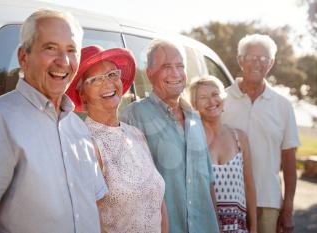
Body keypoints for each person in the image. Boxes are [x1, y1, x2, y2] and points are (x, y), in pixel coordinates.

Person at [0, 9, 107, 233]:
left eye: (71, 50)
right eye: (50, 48)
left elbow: (95, 213)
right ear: (23, 57)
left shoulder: (79, 129)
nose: (63, 61)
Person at [120, 39, 220, 233]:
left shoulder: (195, 119)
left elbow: (209, 184)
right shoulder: (133, 116)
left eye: (180, 66)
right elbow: (129, 192)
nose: (175, 73)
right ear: (149, 73)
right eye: (166, 66)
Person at [66, 45, 167, 233]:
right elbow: (90, 224)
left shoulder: (136, 134)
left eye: (112, 74)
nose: (108, 84)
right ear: (82, 93)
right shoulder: (86, 144)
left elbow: (159, 201)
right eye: (95, 80)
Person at [221, 34, 300, 233]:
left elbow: (289, 159)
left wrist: (288, 208)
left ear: (271, 63)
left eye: (263, 58)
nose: (257, 63)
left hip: (268, 202)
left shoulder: (283, 106)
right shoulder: (221, 99)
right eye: (250, 57)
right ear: (240, 60)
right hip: (228, 198)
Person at [189, 75, 257, 233]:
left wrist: (254, 227)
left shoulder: (239, 137)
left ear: (223, 98)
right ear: (195, 104)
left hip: (237, 227)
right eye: (203, 97)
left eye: (215, 94)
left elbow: (249, 184)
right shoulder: (191, 138)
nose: (211, 102)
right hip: (204, 226)